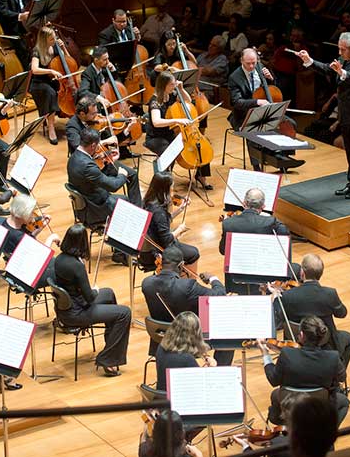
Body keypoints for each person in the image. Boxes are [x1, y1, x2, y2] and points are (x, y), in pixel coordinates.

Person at [295, 32, 350, 198]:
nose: (340, 53)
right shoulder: (345, 59)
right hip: (346, 114)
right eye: (339, 49)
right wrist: (309, 61)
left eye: (343, 50)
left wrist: (343, 73)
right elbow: (328, 69)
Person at [52, 224, 131, 377]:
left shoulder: (60, 259)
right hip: (77, 313)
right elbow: (90, 297)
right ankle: (108, 360)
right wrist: (94, 289)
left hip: (67, 308)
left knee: (108, 293)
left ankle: (111, 346)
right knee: (124, 313)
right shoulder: (76, 266)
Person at [141, 246, 232, 366]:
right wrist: (213, 279)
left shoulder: (146, 283)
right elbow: (219, 296)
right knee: (228, 332)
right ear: (181, 265)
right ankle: (218, 372)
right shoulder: (188, 286)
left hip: (161, 337)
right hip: (187, 340)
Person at [258, 315, 349, 425]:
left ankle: (287, 426)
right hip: (318, 404)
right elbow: (342, 377)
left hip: (290, 403)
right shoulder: (332, 357)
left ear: (301, 335)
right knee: (344, 402)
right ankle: (325, 432)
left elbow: (273, 380)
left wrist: (265, 353)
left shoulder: (287, 354)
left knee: (275, 395)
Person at [271, 254, 350, 369]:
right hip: (325, 342)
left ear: (302, 273)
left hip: (296, 341)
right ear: (321, 273)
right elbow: (342, 314)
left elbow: (279, 318)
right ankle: (336, 376)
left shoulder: (288, 296)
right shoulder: (329, 294)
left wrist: (276, 297)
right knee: (349, 338)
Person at [227, 48, 303, 171]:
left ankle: (282, 157)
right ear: (241, 60)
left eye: (254, 63)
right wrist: (257, 102)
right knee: (252, 131)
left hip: (265, 111)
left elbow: (273, 89)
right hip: (244, 115)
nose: (252, 66)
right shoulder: (234, 78)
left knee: (291, 124)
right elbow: (236, 102)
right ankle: (257, 166)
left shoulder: (260, 67)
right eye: (248, 63)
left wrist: (270, 78)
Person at [65, 95, 139, 205]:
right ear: (82, 114)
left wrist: (127, 130)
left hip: (102, 160)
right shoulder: (72, 126)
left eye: (96, 112)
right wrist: (103, 142)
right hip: (88, 165)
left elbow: (113, 140)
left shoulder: (97, 122)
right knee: (115, 182)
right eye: (93, 114)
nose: (97, 116)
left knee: (132, 174)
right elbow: (78, 147)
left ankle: (138, 210)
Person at [219, 187, 293, 293]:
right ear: (263, 206)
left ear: (244, 203)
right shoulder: (270, 222)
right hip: (261, 278)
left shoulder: (228, 223)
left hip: (236, 278)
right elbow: (285, 233)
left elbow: (222, 251)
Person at [146, 71, 212, 189]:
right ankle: (164, 184)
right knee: (168, 150)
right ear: (163, 85)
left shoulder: (171, 94)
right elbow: (156, 122)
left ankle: (201, 176)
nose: (174, 86)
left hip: (172, 133)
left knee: (201, 144)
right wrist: (177, 120)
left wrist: (181, 89)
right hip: (156, 137)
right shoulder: (155, 101)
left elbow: (188, 101)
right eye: (172, 84)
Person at [67, 127, 142, 222]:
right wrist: (122, 175)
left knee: (125, 199)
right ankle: (137, 220)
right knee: (126, 201)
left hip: (87, 199)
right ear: (93, 145)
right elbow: (113, 187)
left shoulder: (74, 157)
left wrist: (106, 161)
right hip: (95, 208)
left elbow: (92, 175)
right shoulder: (87, 166)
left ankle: (137, 215)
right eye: (98, 144)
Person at [154, 312, 216, 392]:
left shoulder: (161, 347)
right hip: (177, 399)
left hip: (161, 396)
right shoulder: (186, 359)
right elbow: (202, 385)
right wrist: (212, 368)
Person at [30, 25, 63, 144]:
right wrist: (51, 71)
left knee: (57, 91)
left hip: (51, 81)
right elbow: (34, 69)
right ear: (44, 40)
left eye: (54, 38)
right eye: (51, 39)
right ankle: (51, 127)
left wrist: (63, 48)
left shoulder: (54, 48)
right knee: (51, 93)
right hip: (38, 83)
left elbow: (67, 60)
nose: (54, 41)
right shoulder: (36, 51)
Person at [138, 409, 204, 457]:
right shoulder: (185, 455)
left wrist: (148, 422)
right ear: (181, 433)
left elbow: (143, 437)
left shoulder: (145, 451)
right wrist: (198, 454)